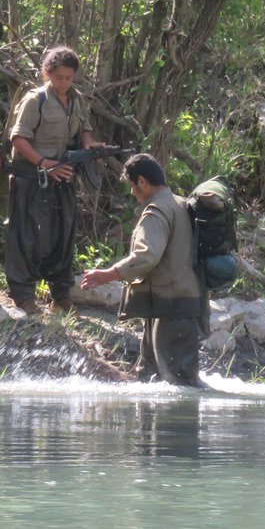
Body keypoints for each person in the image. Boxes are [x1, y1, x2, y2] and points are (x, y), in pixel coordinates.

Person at [81, 154, 206, 386]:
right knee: (152, 380)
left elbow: (147, 255)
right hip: (173, 306)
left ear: (142, 181)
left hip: (171, 309)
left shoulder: (156, 212)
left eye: (132, 185)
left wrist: (108, 274)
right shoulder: (179, 203)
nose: (132, 192)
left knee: (180, 386)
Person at [5, 47, 101, 315]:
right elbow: (18, 139)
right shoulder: (35, 100)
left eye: (69, 78)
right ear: (47, 73)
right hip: (33, 180)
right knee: (28, 237)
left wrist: (89, 147)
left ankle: (61, 295)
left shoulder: (76, 99)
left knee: (63, 237)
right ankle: (24, 295)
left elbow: (84, 128)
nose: (64, 82)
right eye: (59, 77)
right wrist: (44, 164)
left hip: (64, 178)